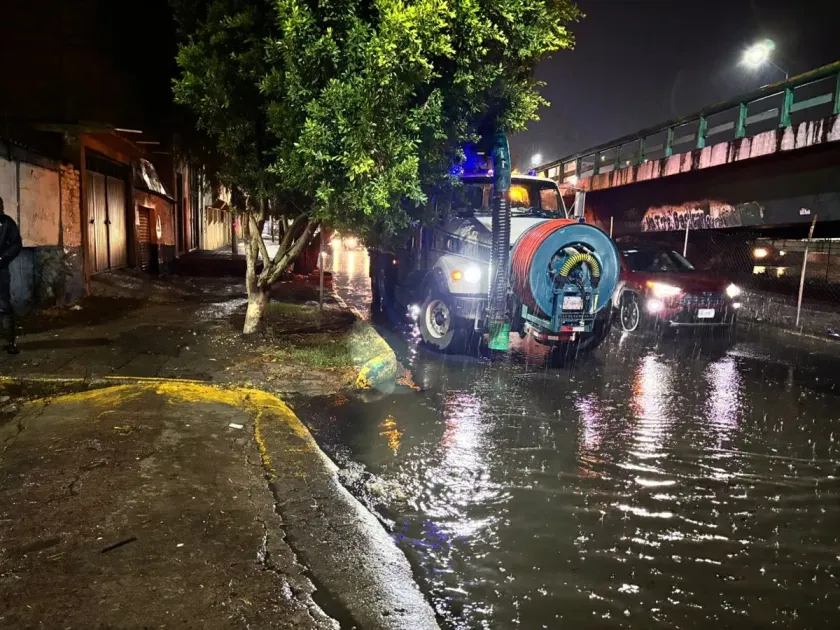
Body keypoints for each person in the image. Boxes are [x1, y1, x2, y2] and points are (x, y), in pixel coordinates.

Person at [0, 196, 22, 354]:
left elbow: (16, 244)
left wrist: (2, 258)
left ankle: (9, 342)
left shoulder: (7, 223)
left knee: (3, 305)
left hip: (0, 269)